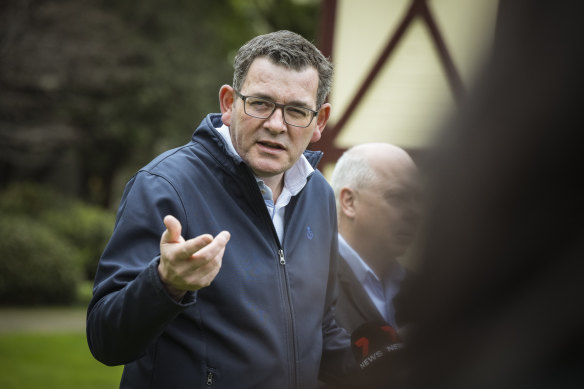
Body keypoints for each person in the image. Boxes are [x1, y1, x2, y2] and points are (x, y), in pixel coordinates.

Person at [86, 30, 354, 389]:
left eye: (296, 111)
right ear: (229, 104)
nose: (276, 124)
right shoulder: (164, 186)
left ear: (319, 121)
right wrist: (165, 285)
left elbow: (319, 326)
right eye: (260, 103)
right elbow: (106, 339)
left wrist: (387, 365)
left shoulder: (319, 194)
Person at [329, 143, 421, 334]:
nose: (414, 212)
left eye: (417, 199)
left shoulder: (424, 290)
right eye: (397, 197)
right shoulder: (306, 286)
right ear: (349, 202)